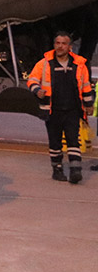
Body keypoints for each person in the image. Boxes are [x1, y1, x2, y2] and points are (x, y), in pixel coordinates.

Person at [26, 32, 93, 184]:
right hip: (52, 109)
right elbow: (32, 80)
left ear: (70, 47)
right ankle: (57, 169)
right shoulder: (44, 63)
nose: (60, 46)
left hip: (73, 109)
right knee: (55, 142)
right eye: (57, 43)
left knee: (72, 139)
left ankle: (76, 170)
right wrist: (38, 90)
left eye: (63, 44)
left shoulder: (79, 65)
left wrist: (89, 105)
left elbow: (86, 86)